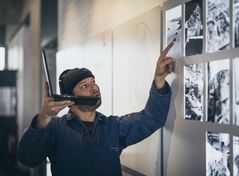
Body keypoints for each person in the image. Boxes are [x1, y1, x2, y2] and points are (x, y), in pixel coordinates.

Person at [17, 42, 175, 176]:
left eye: (93, 82)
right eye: (84, 86)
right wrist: (44, 117)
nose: (94, 88)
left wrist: (159, 80)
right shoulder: (55, 128)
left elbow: (151, 119)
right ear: (69, 98)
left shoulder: (113, 126)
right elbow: (27, 158)